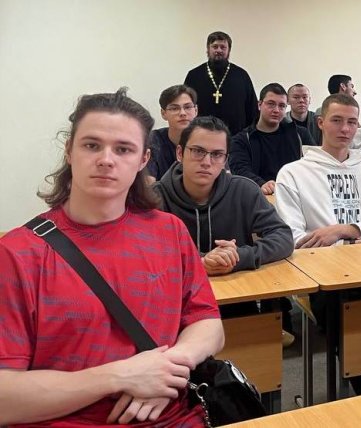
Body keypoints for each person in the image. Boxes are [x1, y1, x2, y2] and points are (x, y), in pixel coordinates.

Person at [0, 89, 223, 426]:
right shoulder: (18, 254)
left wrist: (163, 372)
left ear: (144, 160)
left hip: (176, 417)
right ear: (69, 151)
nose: (106, 159)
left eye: (123, 149)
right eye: (92, 145)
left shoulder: (169, 232)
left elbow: (208, 322)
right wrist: (119, 377)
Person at [275, 93, 361, 394]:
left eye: (352, 122)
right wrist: (357, 241)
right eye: (337, 120)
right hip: (324, 277)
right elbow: (294, 240)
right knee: (351, 315)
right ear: (320, 123)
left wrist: (345, 230)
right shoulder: (293, 173)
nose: (345, 129)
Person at [154, 116, 293, 275]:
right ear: (180, 153)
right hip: (176, 287)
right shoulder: (154, 197)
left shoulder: (244, 191)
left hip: (238, 287)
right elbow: (143, 251)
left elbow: (283, 236)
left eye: (217, 154)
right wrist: (199, 262)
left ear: (225, 160)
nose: (206, 162)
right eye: (198, 151)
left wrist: (238, 257)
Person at [229, 83, 315, 195]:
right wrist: (261, 184)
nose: (276, 110)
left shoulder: (300, 134)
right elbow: (240, 170)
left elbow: (315, 163)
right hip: (258, 196)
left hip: (295, 195)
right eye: (271, 104)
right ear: (259, 105)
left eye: (282, 106)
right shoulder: (241, 140)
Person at [184, 31, 259, 135]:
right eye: (215, 47)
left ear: (229, 51)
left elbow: (252, 110)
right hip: (200, 136)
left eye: (223, 47)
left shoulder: (241, 76)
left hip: (235, 138)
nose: (219, 50)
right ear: (208, 49)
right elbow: (185, 106)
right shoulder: (194, 75)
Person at [148, 84, 198, 181]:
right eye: (175, 108)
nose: (182, 113)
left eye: (188, 107)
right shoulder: (153, 140)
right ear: (163, 113)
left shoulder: (208, 140)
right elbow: (148, 184)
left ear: (196, 111)